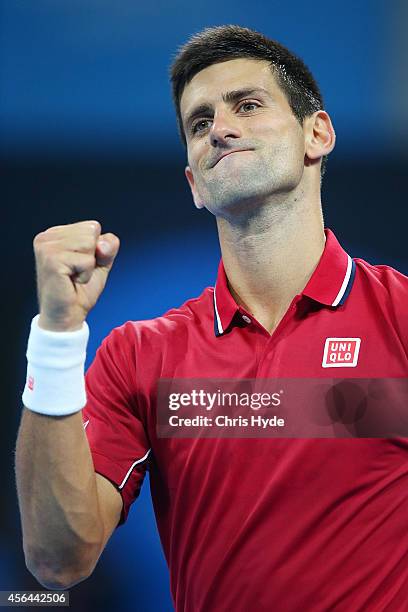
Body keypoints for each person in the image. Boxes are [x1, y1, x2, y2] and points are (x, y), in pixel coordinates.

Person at [15, 25, 408, 611]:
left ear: (317, 134)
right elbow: (58, 560)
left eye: (247, 105)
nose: (220, 129)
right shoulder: (138, 356)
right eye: (199, 124)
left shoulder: (400, 316)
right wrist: (55, 335)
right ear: (194, 183)